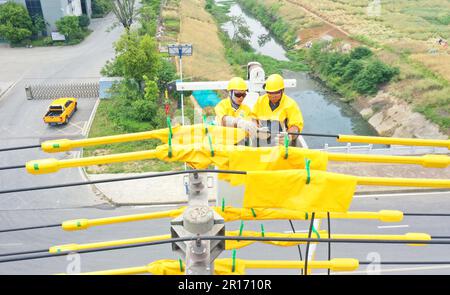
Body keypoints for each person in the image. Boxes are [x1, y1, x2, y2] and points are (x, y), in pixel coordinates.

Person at [252, 74, 304, 146]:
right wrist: (255, 128)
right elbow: (253, 117)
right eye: (270, 93)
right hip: (263, 143)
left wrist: (289, 136)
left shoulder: (290, 104)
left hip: (281, 145)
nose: (273, 96)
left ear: (282, 90)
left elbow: (296, 126)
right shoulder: (260, 101)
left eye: (276, 93)